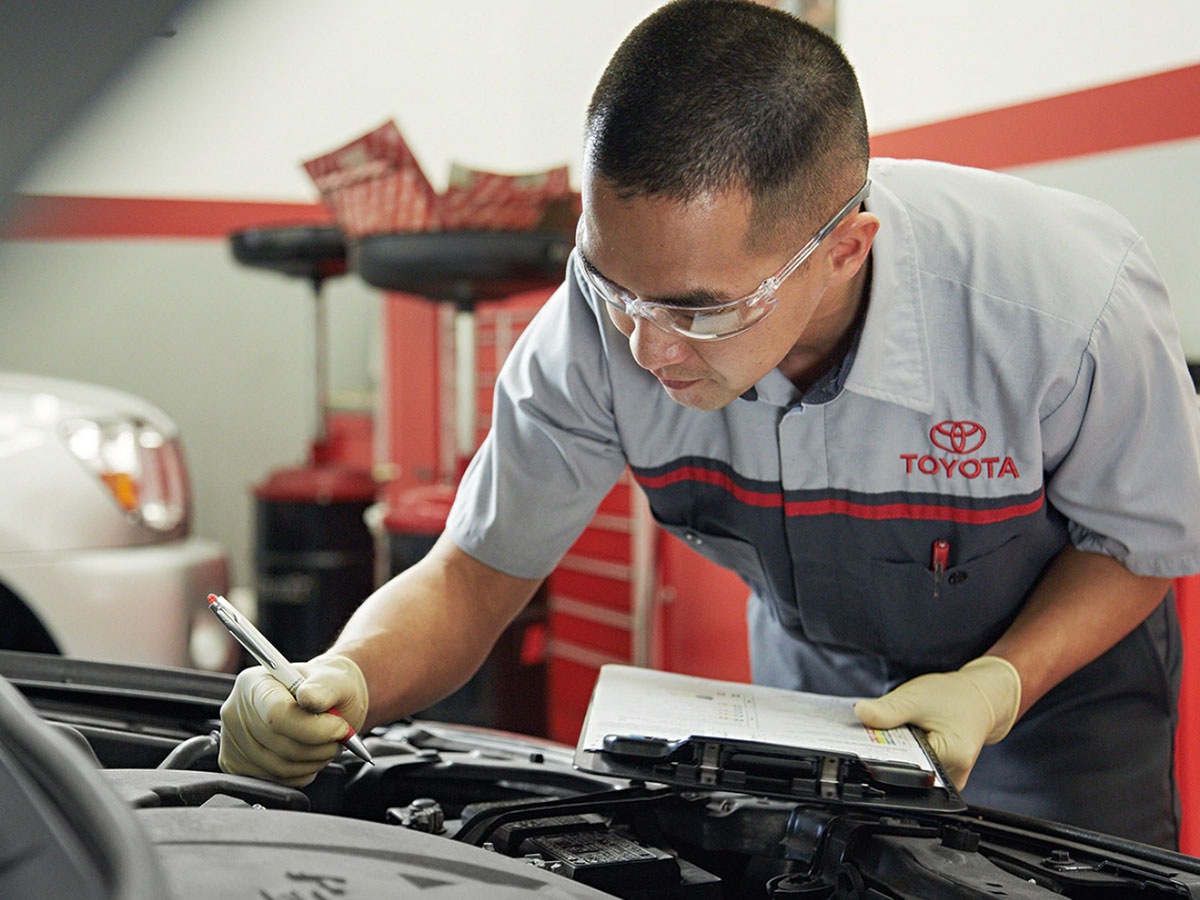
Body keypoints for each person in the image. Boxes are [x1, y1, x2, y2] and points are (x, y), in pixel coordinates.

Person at [218, 0, 1200, 848]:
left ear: (846, 251)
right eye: (614, 285)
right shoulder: (600, 320)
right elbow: (474, 572)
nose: (646, 349)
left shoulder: (1064, 305)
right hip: (822, 693)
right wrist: (342, 675)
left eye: (698, 308)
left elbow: (1142, 541)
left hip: (1059, 702)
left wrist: (1000, 683)